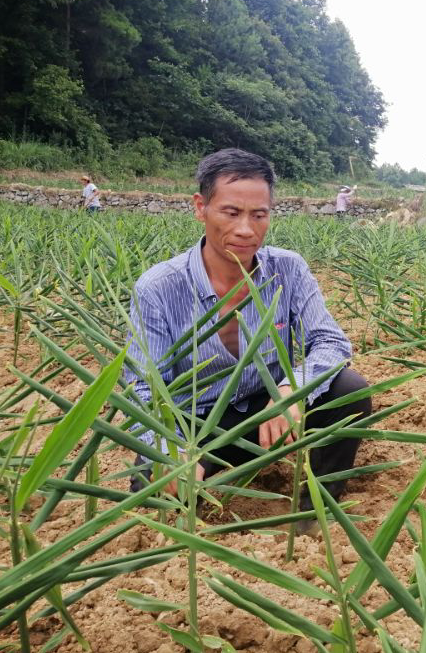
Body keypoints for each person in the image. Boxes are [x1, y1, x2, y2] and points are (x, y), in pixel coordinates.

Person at [125, 148, 370, 511]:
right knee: (152, 486)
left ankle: (314, 508)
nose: (246, 229)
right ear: (200, 207)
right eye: (231, 212)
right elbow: (143, 387)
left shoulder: (287, 269)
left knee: (349, 389)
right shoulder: (158, 287)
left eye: (259, 215)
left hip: (270, 413)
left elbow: (331, 341)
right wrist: (170, 451)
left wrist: (291, 389)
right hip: (197, 428)